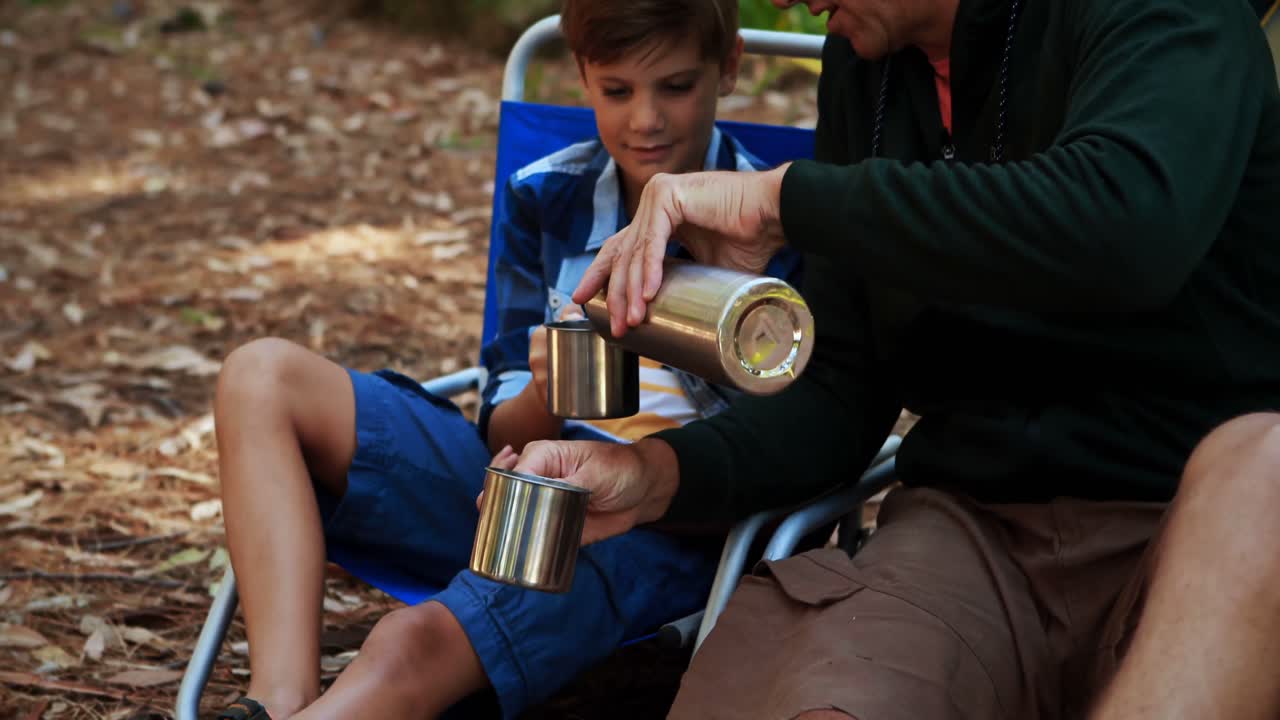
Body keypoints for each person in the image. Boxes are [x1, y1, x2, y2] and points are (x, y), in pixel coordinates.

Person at [510, 0, 1280, 718]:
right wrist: (654, 477)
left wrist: (781, 200)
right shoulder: (865, 63)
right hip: (974, 533)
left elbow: (1128, 228)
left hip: (1191, 523)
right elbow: (843, 386)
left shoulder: (1168, 18)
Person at [210, 1, 802, 717]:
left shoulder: (774, 222)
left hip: (662, 534)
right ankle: (274, 701)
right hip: (521, 487)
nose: (646, 119)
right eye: (617, 91)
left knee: (410, 644)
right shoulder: (548, 196)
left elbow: (790, 448)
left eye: (675, 87)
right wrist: (552, 394)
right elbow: (502, 435)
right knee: (260, 375)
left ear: (728, 67)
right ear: (582, 77)